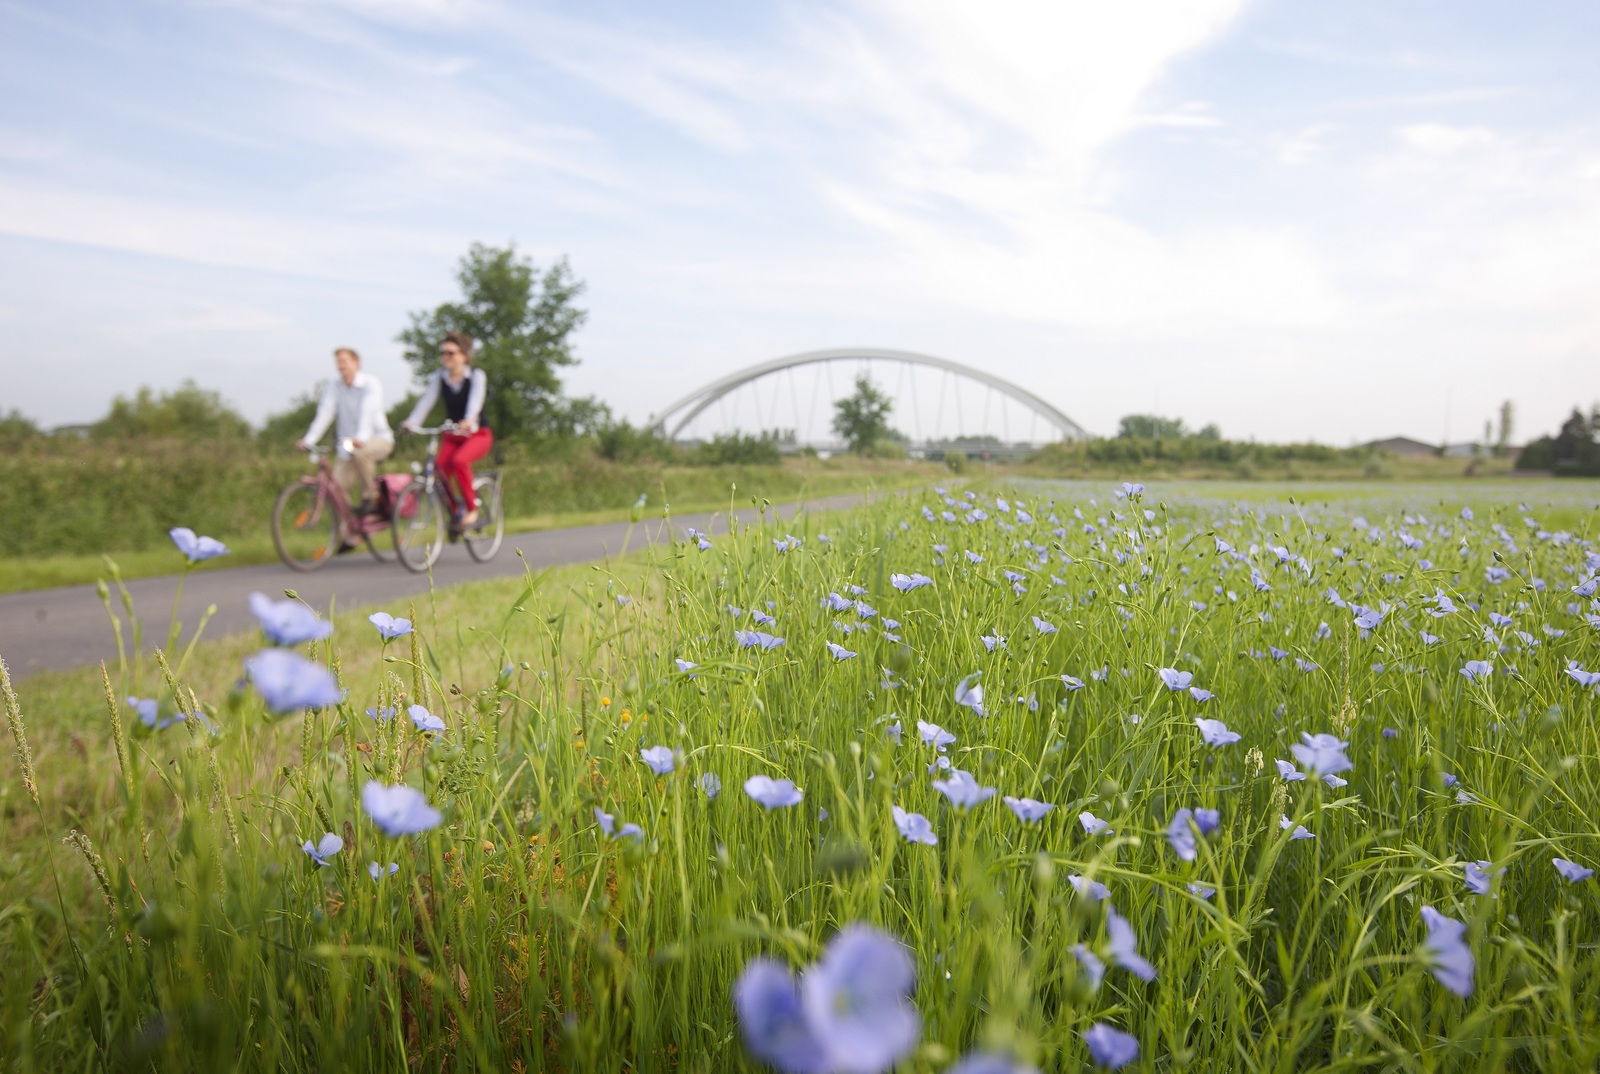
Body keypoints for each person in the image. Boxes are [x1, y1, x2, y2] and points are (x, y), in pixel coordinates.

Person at [401, 332, 492, 528]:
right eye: (443, 353)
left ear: (464, 355)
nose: (446, 357)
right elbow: (426, 402)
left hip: (477, 433)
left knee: (459, 461)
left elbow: (476, 401)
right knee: (438, 471)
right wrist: (411, 422)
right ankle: (455, 511)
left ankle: (471, 510)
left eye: (451, 353)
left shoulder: (476, 375)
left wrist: (468, 420)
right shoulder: (439, 378)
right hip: (453, 434)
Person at [297, 347, 393, 512]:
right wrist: (309, 440)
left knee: (362, 453)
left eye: (344, 361)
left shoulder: (370, 384)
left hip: (378, 440)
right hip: (348, 446)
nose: (340, 366)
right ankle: (349, 531)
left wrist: (360, 439)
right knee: (336, 491)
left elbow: (367, 413)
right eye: (338, 362)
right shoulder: (334, 385)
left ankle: (371, 498)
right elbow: (325, 413)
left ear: (356, 363)